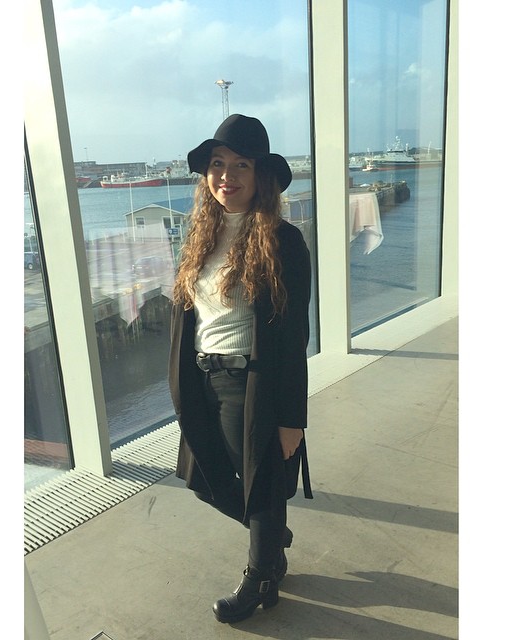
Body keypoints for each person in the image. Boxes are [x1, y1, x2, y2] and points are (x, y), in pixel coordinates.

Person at [168, 113, 313, 624]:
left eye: (241, 165)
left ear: (261, 176)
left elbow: (293, 335)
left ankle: (261, 577)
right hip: (201, 379)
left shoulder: (283, 241)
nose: (226, 176)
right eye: (217, 164)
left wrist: (292, 418)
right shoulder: (199, 236)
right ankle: (272, 536)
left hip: (248, 384)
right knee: (203, 478)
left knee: (262, 483)